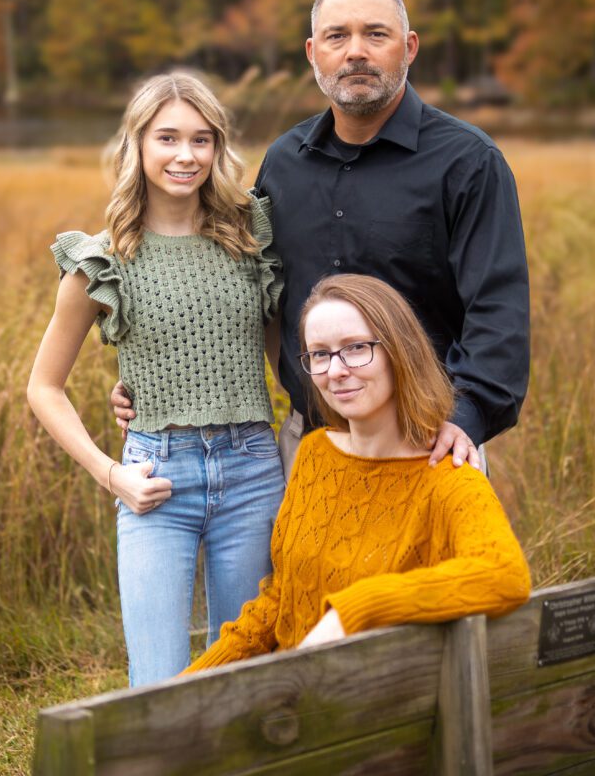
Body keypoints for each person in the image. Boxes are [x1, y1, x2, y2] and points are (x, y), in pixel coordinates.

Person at [113, 0, 530, 478]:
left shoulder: (468, 161)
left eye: (376, 34)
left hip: (429, 443)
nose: (356, 51)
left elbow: (498, 309)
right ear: (313, 53)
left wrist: (467, 416)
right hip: (308, 445)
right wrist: (160, 375)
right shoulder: (284, 163)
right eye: (337, 36)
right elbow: (239, 289)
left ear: (410, 47)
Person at [27, 72, 285, 687]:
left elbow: (283, 357)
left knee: (241, 675)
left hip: (252, 472)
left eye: (202, 140)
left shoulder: (249, 239)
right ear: (137, 144)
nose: (185, 155)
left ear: (218, 148)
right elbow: (43, 386)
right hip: (154, 478)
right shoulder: (104, 257)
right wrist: (110, 474)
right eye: (167, 138)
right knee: (156, 685)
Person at [184, 274, 531, 672]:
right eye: (320, 354)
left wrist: (354, 611)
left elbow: (505, 574)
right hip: (287, 700)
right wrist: (185, 688)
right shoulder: (316, 455)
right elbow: (282, 598)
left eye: (356, 348)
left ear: (400, 351)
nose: (336, 370)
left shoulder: (449, 476)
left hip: (367, 713)